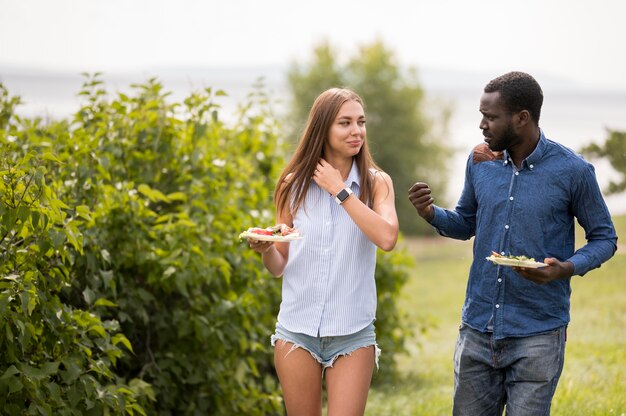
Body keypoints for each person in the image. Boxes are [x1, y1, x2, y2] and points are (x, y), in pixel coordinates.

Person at [408, 71, 618, 415]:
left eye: (490, 117)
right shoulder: (480, 163)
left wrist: (566, 268)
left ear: (522, 118)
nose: (481, 125)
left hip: (538, 333)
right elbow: (466, 224)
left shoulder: (573, 171)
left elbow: (605, 238)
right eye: (481, 115)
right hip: (477, 328)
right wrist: (431, 213)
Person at [247, 87, 399, 415]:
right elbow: (278, 265)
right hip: (296, 331)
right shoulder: (292, 184)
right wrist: (266, 248)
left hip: (352, 334)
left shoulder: (377, 183)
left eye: (361, 122)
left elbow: (387, 239)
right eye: (344, 123)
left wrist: (340, 191)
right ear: (323, 129)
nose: (356, 130)